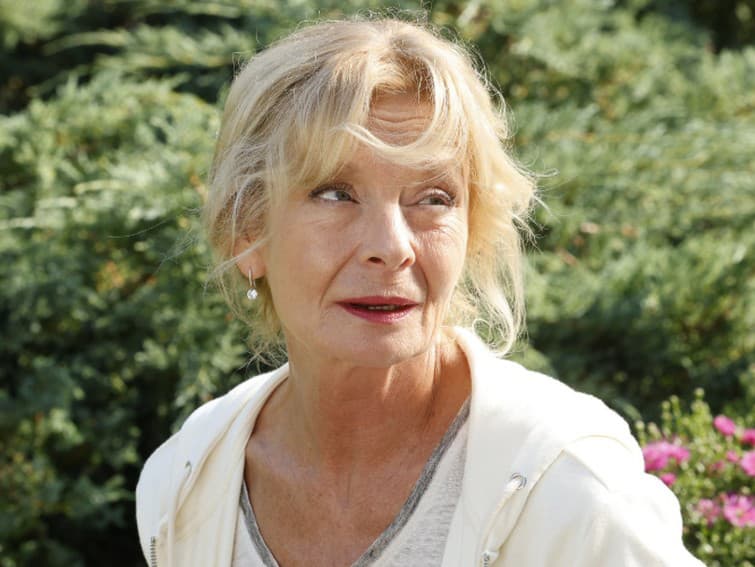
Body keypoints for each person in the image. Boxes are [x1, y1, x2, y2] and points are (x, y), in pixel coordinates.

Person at [135, 17, 705, 567]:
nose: (392, 247)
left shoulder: (569, 488)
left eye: (433, 198)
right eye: (335, 193)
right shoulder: (184, 484)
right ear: (248, 231)